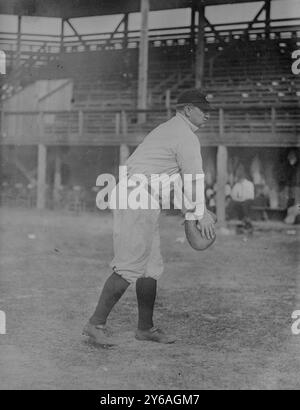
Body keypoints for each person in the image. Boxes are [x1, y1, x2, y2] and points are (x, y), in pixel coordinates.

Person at [83, 90, 216, 345]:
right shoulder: (184, 136)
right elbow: (192, 180)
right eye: (202, 108)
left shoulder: (170, 130)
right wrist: (200, 213)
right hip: (138, 196)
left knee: (150, 268)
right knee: (130, 264)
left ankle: (145, 328)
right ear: (187, 109)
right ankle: (95, 323)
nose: (208, 113)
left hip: (141, 196)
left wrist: (197, 210)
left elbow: (175, 183)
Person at [230, 165, 255, 230]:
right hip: (239, 201)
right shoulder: (236, 185)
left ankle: (247, 220)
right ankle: (241, 221)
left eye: (239, 177)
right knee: (234, 203)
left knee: (245, 204)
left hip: (248, 201)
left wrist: (242, 199)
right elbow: (233, 195)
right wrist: (238, 199)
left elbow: (251, 196)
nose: (238, 179)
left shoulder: (249, 184)